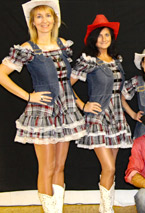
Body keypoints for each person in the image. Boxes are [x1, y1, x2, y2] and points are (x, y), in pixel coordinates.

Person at [0, 0, 86, 212]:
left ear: (54, 19)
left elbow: (65, 81)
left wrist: (78, 102)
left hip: (65, 111)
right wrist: (29, 96)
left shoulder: (63, 45)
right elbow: (1, 74)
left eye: (48, 16)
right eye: (39, 16)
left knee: (59, 166)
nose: (44, 21)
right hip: (43, 112)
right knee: (46, 168)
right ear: (32, 22)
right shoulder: (28, 49)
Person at [71, 14, 133, 213]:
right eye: (100, 35)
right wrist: (83, 105)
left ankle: (105, 207)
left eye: (107, 35)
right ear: (93, 38)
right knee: (110, 168)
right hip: (98, 117)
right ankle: (107, 210)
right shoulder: (88, 61)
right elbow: (64, 85)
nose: (104, 39)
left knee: (111, 167)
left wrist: (131, 112)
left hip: (116, 117)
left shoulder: (116, 60)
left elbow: (119, 92)